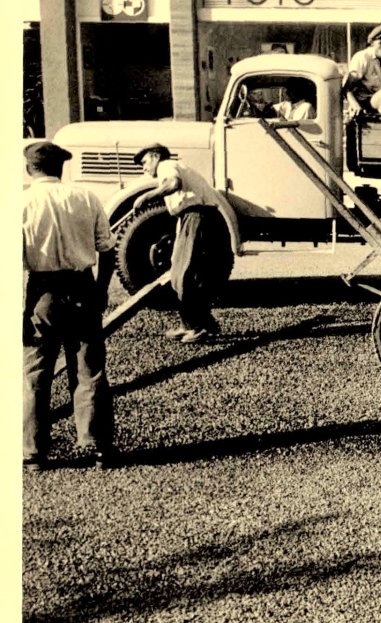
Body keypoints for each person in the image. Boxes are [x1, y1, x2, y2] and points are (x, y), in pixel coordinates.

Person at [23, 141, 117, 472]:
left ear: (29, 168)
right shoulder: (86, 197)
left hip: (42, 291)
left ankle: (33, 452)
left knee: (35, 372)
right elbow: (107, 249)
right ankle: (97, 446)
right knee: (89, 368)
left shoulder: (21, 202)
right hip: (82, 287)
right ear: (61, 168)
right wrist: (102, 291)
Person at [132, 144, 228, 344]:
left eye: (145, 162)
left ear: (156, 156)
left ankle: (197, 327)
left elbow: (174, 183)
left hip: (197, 216)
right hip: (192, 217)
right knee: (183, 271)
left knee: (184, 274)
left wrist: (146, 196)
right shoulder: (174, 167)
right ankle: (197, 323)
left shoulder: (166, 166)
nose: (144, 168)